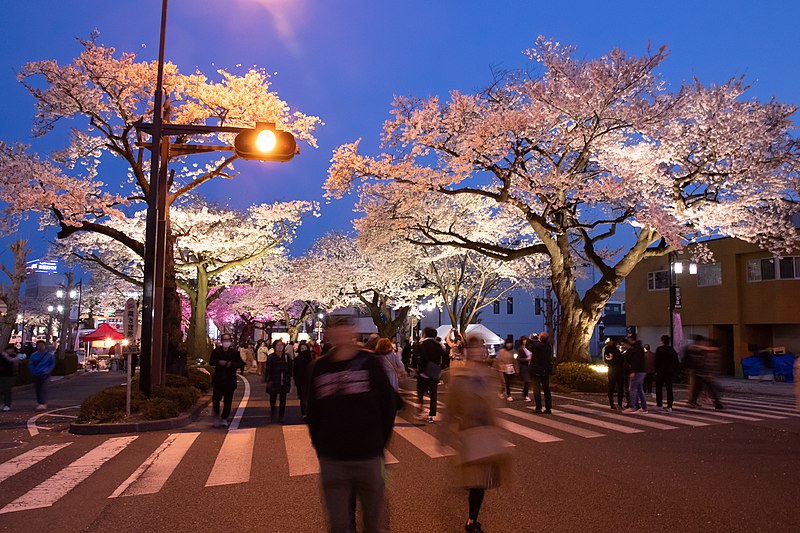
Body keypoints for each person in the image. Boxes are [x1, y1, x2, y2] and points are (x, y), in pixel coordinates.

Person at [306, 315, 396, 533]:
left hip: (368, 456)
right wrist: (321, 447)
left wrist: (378, 443)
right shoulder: (320, 368)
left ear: (353, 332)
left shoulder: (370, 364)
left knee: (374, 522)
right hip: (333, 459)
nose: (341, 333)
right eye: (335, 328)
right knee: (338, 524)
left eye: (345, 327)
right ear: (328, 334)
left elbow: (389, 405)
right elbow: (313, 413)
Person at [441, 334, 510, 533]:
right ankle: (471, 521)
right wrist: (443, 434)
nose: (479, 351)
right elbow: (450, 409)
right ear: (467, 352)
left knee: (485, 480)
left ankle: (470, 494)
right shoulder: (459, 377)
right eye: (474, 348)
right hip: (469, 432)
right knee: (478, 483)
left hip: (488, 432)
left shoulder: (490, 375)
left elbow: (494, 405)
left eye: (481, 347)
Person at [209, 333, 244, 427]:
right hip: (219, 379)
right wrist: (219, 362)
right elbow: (211, 362)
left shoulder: (234, 353)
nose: (226, 342)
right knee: (216, 399)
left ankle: (224, 417)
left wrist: (231, 364)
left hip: (230, 379)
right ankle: (216, 416)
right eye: (224, 340)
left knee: (228, 400)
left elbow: (240, 363)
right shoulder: (216, 352)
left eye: (228, 340)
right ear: (221, 341)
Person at [685, 335, 724, 409]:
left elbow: (705, 362)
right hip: (704, 373)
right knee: (706, 388)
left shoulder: (707, 351)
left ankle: (693, 401)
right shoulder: (711, 351)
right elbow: (710, 363)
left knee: (701, 388)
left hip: (703, 373)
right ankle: (717, 403)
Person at [416, 326, 445, 423]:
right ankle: (431, 415)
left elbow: (416, 357)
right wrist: (442, 367)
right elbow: (445, 357)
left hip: (423, 372)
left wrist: (414, 367)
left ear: (425, 334)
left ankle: (421, 409)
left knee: (420, 392)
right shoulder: (438, 345)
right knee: (433, 394)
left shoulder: (421, 344)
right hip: (434, 372)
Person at [266, 339, 292, 423]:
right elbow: (268, 369)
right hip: (274, 380)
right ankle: (273, 410)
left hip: (284, 380)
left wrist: (288, 377)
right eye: (278, 345)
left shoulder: (286, 357)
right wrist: (269, 379)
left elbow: (290, 369)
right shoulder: (271, 357)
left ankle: (281, 415)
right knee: (273, 397)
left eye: (281, 345)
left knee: (283, 399)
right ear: (274, 346)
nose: (280, 346)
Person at [624, 332, 648, 413]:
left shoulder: (635, 349)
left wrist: (633, 371)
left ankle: (633, 406)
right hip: (641, 371)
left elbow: (635, 361)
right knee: (639, 389)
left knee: (632, 389)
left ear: (631, 339)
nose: (628, 340)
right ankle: (644, 407)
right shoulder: (639, 348)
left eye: (628, 338)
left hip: (637, 371)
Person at [654, 335, 679, 412]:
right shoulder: (672, 350)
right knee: (669, 389)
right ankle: (669, 406)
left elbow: (656, 361)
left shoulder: (659, 349)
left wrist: (656, 370)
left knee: (659, 388)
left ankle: (659, 404)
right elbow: (676, 362)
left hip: (660, 372)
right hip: (669, 372)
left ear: (662, 341)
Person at [530, 332, 553, 414]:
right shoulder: (548, 346)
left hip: (536, 370)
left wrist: (531, 338)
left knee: (537, 389)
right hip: (545, 370)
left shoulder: (537, 346)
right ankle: (548, 408)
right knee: (546, 389)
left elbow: (529, 347)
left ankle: (538, 408)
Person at [29, 340, 55, 410]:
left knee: (44, 388)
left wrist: (48, 371)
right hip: (36, 374)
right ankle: (40, 402)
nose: (40, 346)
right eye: (39, 345)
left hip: (45, 374)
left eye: (42, 345)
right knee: (37, 388)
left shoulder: (49, 355)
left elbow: (52, 364)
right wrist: (33, 371)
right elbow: (31, 364)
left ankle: (43, 403)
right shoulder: (33, 355)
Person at [293, 339, 313, 419]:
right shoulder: (297, 359)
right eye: (302, 349)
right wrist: (296, 381)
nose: (303, 350)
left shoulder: (310, 359)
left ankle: (309, 412)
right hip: (300, 381)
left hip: (309, 381)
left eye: (305, 349)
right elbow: (295, 371)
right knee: (303, 398)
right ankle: (304, 413)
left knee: (309, 397)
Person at [603, 337, 624, 409]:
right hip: (618, 370)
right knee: (620, 387)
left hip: (611, 369)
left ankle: (612, 404)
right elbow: (621, 360)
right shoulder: (616, 350)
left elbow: (606, 360)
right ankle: (619, 404)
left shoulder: (606, 349)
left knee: (611, 387)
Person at [1, 344, 19, 411]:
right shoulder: (2, 356)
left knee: (7, 390)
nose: (10, 351)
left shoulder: (14, 357)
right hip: (2, 375)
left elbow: (13, 361)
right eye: (9, 349)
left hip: (10, 375)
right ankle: (3, 403)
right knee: (2, 389)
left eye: (11, 349)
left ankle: (7, 404)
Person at [517, 336, 532, 402]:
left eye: (525, 340)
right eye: (523, 340)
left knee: (529, 381)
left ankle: (525, 392)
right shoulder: (520, 349)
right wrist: (526, 359)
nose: (525, 341)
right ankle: (526, 395)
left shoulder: (530, 348)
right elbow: (519, 359)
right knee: (527, 380)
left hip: (531, 366)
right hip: (524, 367)